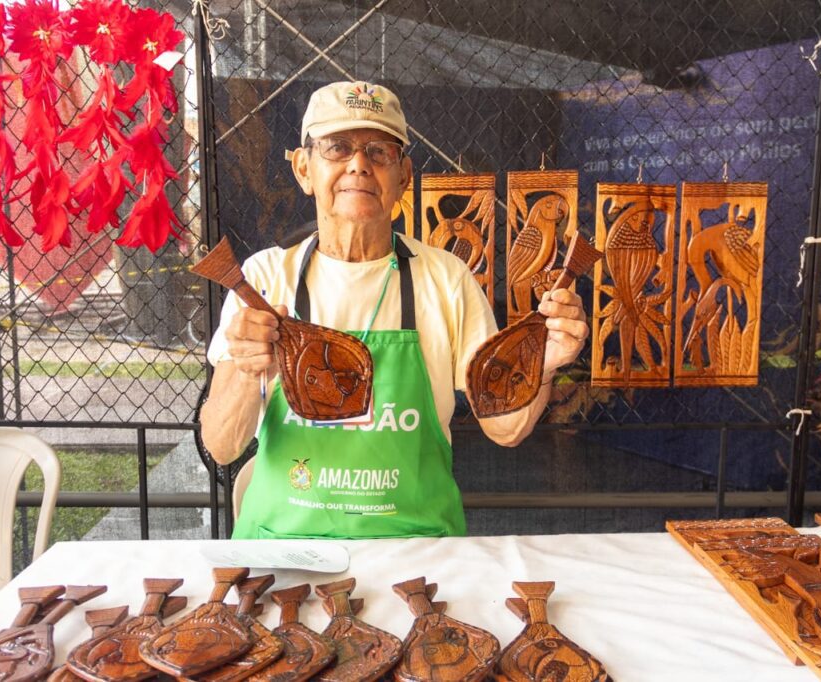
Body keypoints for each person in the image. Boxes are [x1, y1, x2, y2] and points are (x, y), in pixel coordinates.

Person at [200, 81, 590, 539]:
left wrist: (544, 362)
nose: (358, 164)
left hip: (416, 548)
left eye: (378, 151)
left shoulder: (446, 280)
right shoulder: (262, 280)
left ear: (403, 175)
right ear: (304, 169)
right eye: (337, 148)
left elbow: (505, 429)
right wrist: (249, 371)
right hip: (286, 546)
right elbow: (222, 446)